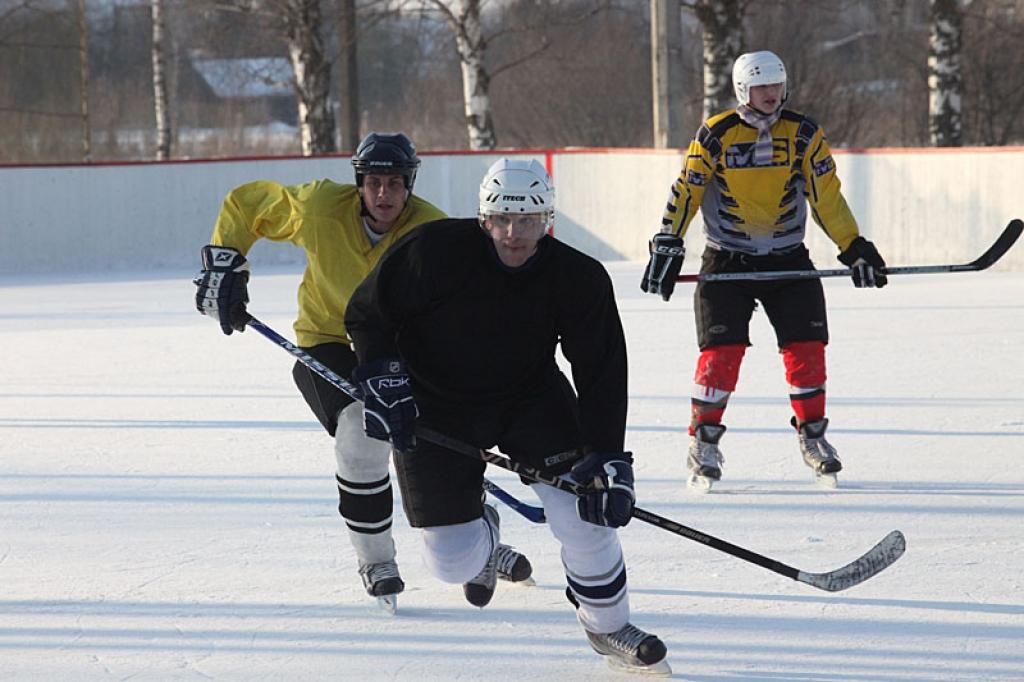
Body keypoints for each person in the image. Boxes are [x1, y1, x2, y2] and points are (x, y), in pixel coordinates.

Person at [344, 158, 671, 675]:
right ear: (483, 218)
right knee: (451, 563)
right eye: (502, 220)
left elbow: (601, 367)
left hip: (530, 400)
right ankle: (485, 527)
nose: (514, 234)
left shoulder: (578, 276)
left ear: (549, 220)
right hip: (435, 406)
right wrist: (383, 377)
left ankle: (609, 626)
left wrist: (607, 454)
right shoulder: (433, 251)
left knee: (582, 512)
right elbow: (368, 313)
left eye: (529, 221)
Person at [193, 132, 506, 614]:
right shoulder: (319, 207)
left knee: (428, 445)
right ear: (359, 183)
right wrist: (227, 265)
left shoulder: (432, 231)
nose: (385, 194)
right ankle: (377, 560)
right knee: (361, 437)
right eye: (375, 182)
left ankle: (476, 531)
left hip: (401, 350)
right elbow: (247, 203)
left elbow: (464, 306)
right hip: (329, 340)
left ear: (410, 185)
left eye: (396, 184)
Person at [641, 50, 888, 491]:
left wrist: (853, 246)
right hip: (727, 258)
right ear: (742, 90)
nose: (771, 94)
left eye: (777, 85)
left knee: (807, 349)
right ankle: (704, 442)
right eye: (761, 87)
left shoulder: (804, 133)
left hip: (787, 258)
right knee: (721, 355)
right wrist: (667, 241)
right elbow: (688, 189)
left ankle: (813, 438)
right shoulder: (717, 134)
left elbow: (826, 195)